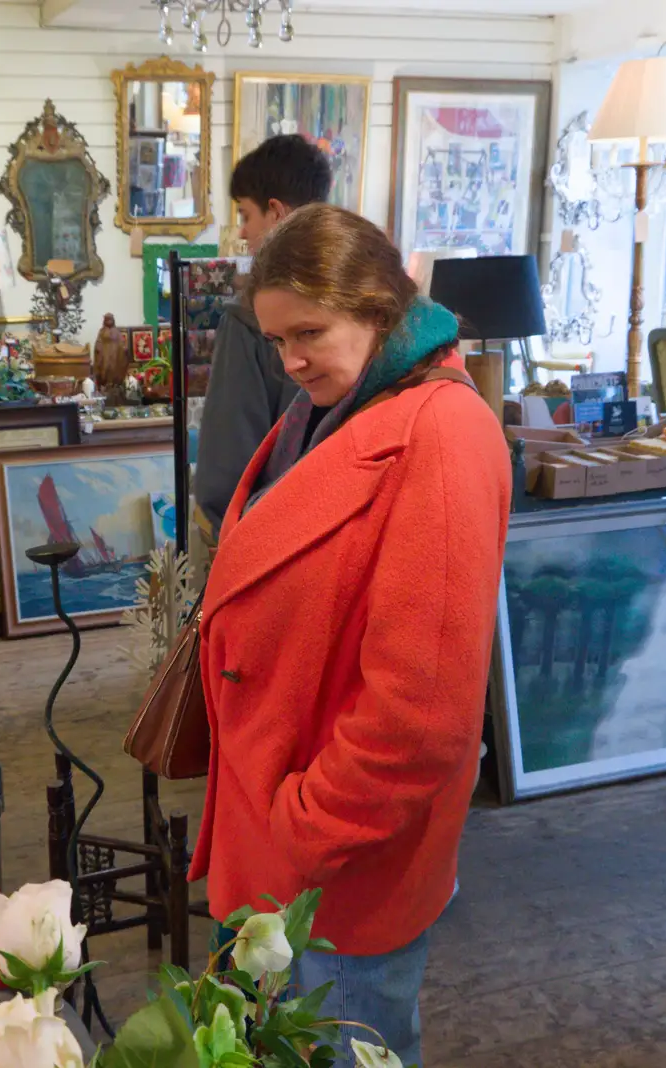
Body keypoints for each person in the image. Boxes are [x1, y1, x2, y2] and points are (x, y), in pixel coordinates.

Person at [190, 204, 510, 1068]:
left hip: (339, 859)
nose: (290, 361)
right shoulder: (337, 410)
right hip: (277, 829)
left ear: (378, 307)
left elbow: (424, 711)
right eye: (275, 340)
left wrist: (306, 825)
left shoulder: (440, 431)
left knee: (347, 1048)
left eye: (309, 332)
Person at [192, 134, 332, 544]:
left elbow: (225, 476)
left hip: (272, 547)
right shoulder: (366, 311)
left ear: (276, 214)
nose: (243, 231)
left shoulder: (250, 321)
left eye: (245, 215)